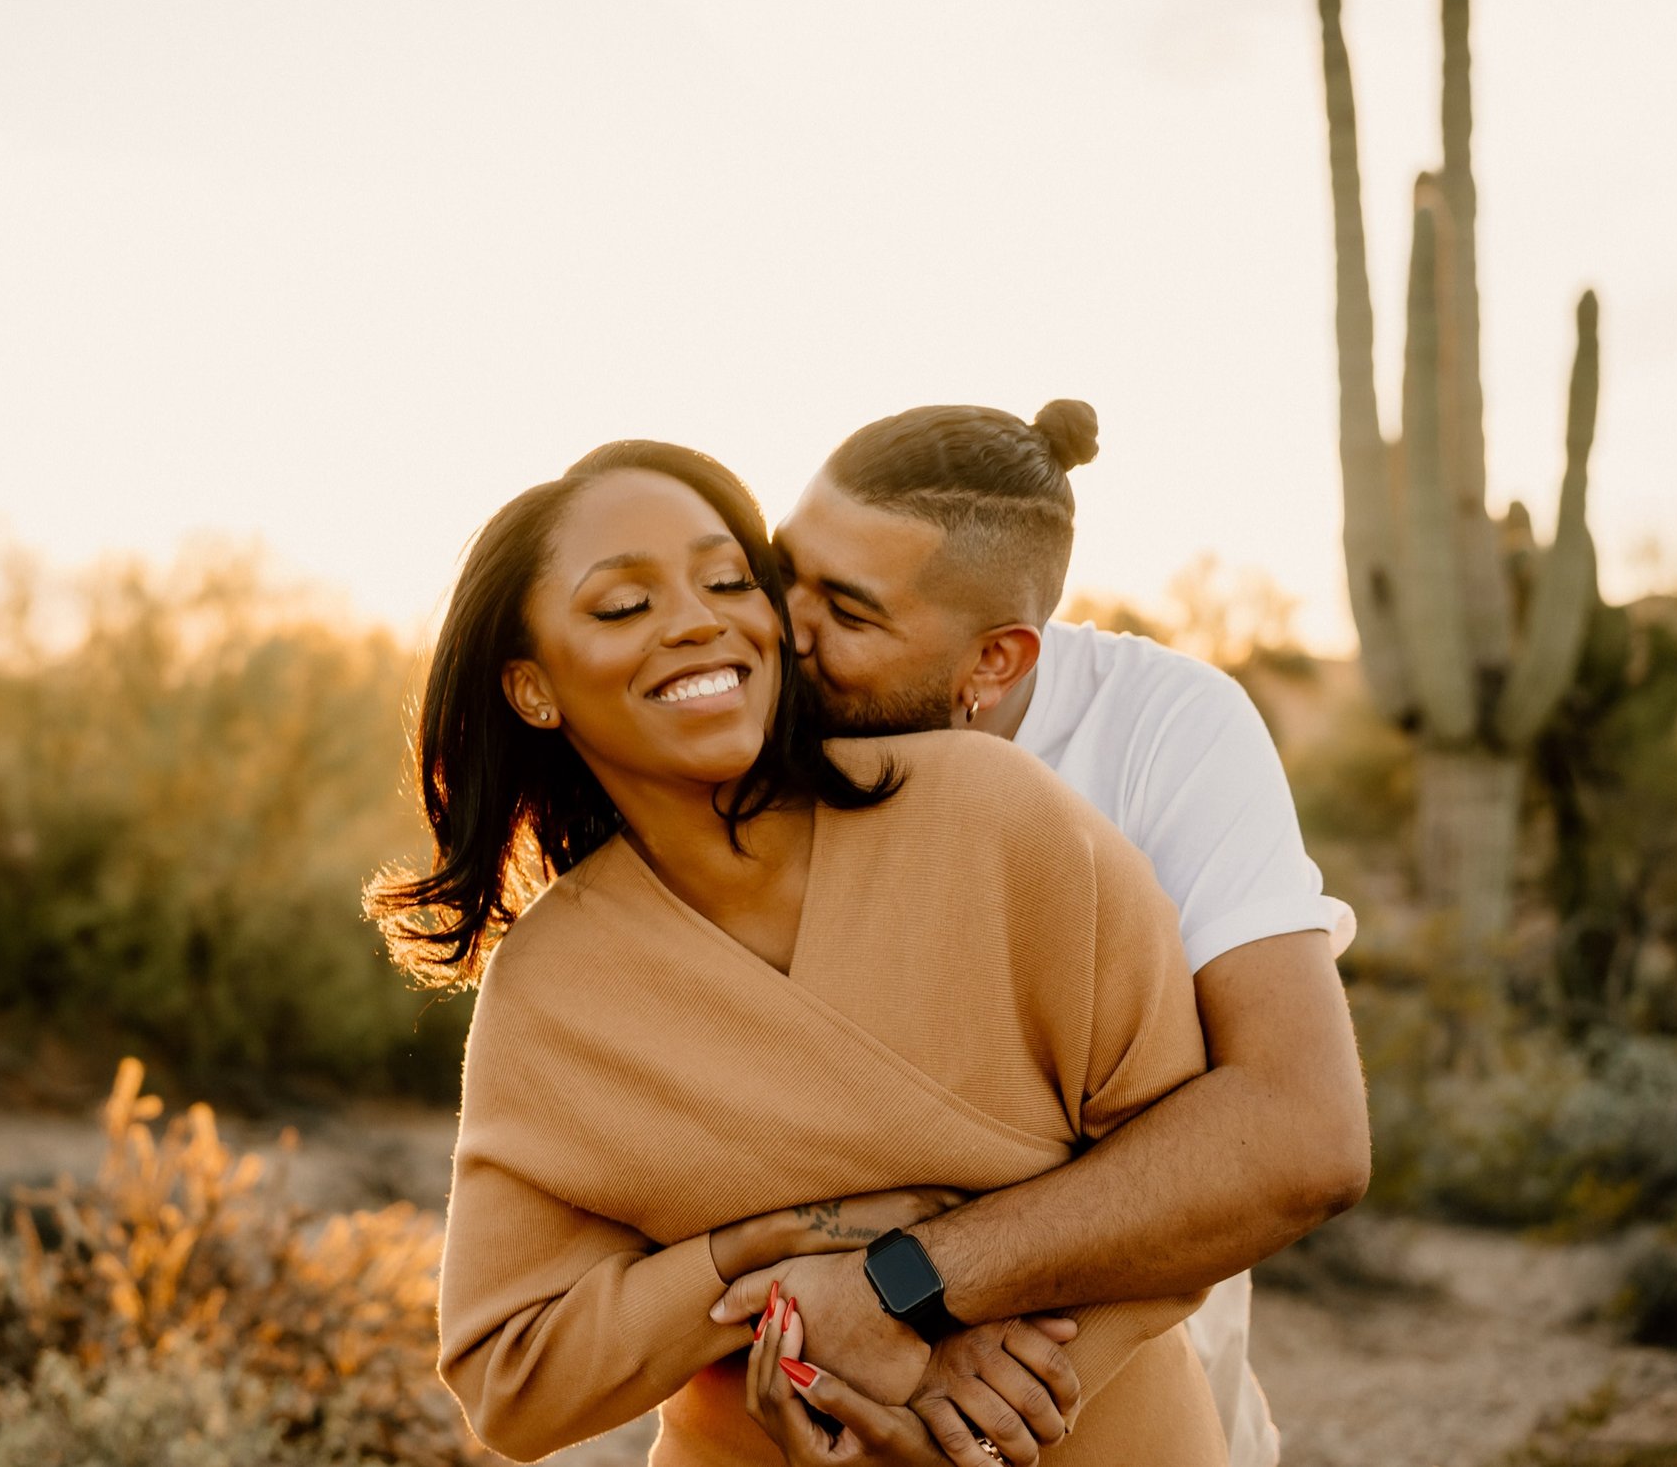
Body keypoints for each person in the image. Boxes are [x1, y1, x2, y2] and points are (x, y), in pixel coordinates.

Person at [369, 439, 1232, 1467]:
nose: (696, 618)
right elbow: (512, 1379)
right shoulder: (552, 983)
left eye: (730, 579)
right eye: (620, 606)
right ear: (533, 688)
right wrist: (762, 1260)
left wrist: (959, 1398)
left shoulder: (992, 816)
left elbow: (1198, 1176)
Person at [713, 400, 1371, 1467]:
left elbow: (1302, 1135)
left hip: (1120, 1390)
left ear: (995, 660)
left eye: (848, 607)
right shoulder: (752, 726)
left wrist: (913, 1289)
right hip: (796, 1398)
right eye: (786, 571)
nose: (787, 627)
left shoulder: (1168, 729)